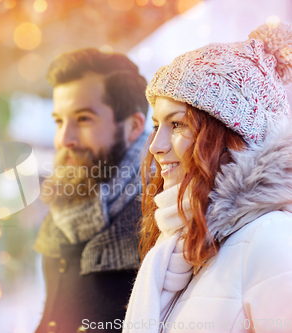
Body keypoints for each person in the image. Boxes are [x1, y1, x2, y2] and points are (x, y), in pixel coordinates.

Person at [123, 22, 292, 332]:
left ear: (229, 136)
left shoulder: (272, 238)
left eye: (177, 125)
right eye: (157, 126)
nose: (157, 147)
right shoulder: (181, 246)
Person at [33, 48, 149, 333]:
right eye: (59, 121)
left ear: (133, 126)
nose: (64, 139)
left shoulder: (161, 218)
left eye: (83, 119)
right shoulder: (66, 202)